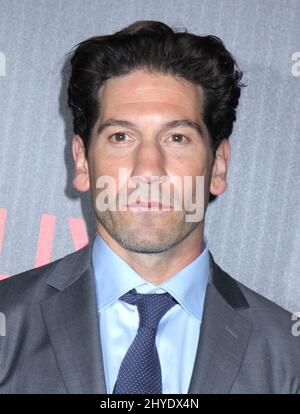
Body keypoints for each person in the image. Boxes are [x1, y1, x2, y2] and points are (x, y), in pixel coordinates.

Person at [0, 20, 299, 394]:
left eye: (177, 137)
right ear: (81, 161)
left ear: (218, 166)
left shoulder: (289, 356)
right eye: (121, 136)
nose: (148, 169)